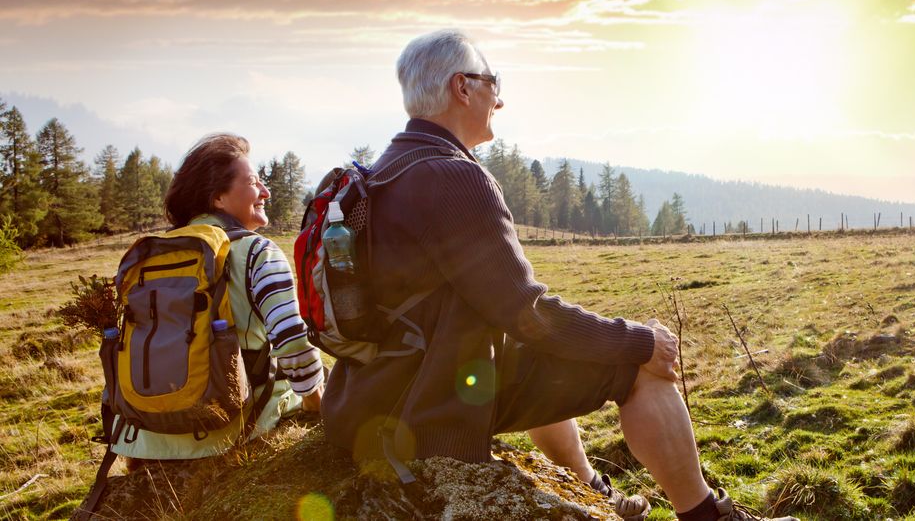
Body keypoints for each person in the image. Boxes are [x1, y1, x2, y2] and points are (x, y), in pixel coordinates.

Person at [321, 30, 796, 521]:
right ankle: (707, 517)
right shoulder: (454, 177)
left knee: (549, 350)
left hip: (369, 397)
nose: (498, 99)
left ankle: (590, 486)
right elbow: (527, 313)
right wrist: (639, 341)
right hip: (422, 412)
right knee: (636, 368)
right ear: (462, 88)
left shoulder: (384, 170)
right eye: (492, 82)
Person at [111, 133, 325, 462]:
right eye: (253, 182)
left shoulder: (153, 255)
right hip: (227, 430)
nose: (265, 192)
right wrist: (316, 404)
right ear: (218, 199)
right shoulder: (258, 251)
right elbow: (291, 341)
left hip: (148, 438)